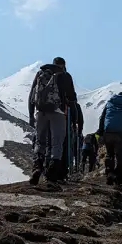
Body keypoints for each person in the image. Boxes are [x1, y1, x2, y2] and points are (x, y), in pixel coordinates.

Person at [27, 57, 77, 185]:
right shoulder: (65, 76)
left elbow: (32, 95)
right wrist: (73, 114)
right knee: (57, 143)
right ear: (63, 65)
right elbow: (72, 98)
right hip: (58, 113)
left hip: (41, 112)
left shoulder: (41, 73)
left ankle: (37, 167)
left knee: (40, 141)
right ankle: (51, 174)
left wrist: (31, 115)